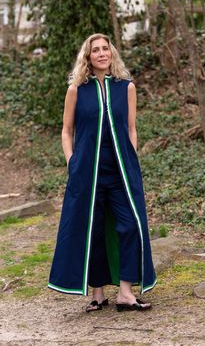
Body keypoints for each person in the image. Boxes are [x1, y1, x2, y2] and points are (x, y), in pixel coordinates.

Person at [48, 33, 157, 312]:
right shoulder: (76, 89)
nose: (100, 54)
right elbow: (66, 130)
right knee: (92, 229)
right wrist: (72, 162)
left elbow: (131, 128)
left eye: (105, 49)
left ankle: (125, 292)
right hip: (87, 172)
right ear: (88, 56)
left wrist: (131, 159)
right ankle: (97, 293)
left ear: (112, 53)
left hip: (121, 171)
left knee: (130, 225)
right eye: (95, 50)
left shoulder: (126, 87)